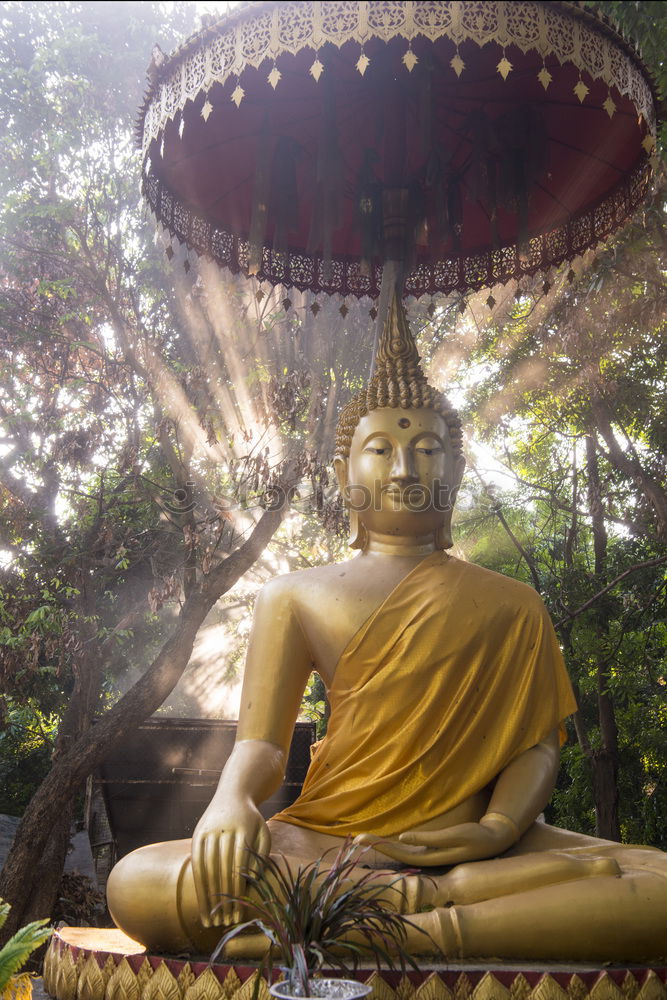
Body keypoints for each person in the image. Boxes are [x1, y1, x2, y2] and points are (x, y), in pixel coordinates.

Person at [107, 296, 667, 961]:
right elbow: (260, 747)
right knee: (140, 884)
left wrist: (494, 829)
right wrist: (230, 802)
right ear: (345, 476)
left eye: (426, 449)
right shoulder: (292, 596)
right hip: (330, 838)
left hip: (480, 847)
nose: (405, 469)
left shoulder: (513, 604)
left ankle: (337, 929)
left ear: (454, 473)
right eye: (382, 449)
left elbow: (533, 749)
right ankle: (429, 914)